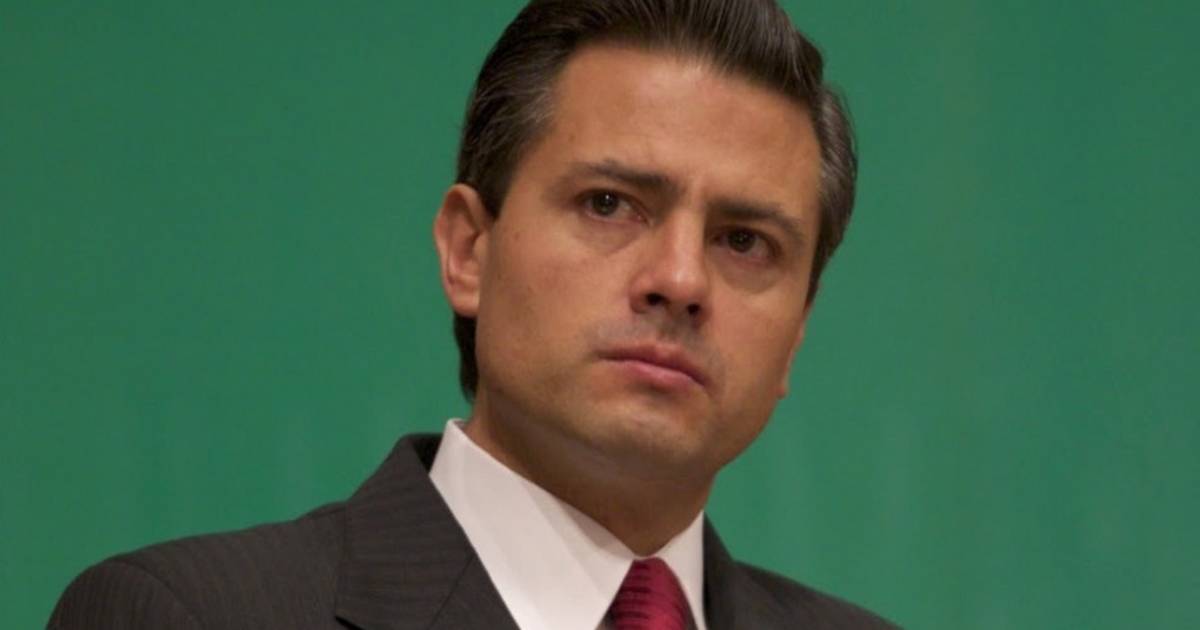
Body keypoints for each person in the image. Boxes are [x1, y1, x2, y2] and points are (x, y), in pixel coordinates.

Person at [49, 0, 896, 628]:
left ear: (797, 332)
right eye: (609, 203)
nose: (680, 279)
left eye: (745, 242)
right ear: (468, 251)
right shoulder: (188, 615)